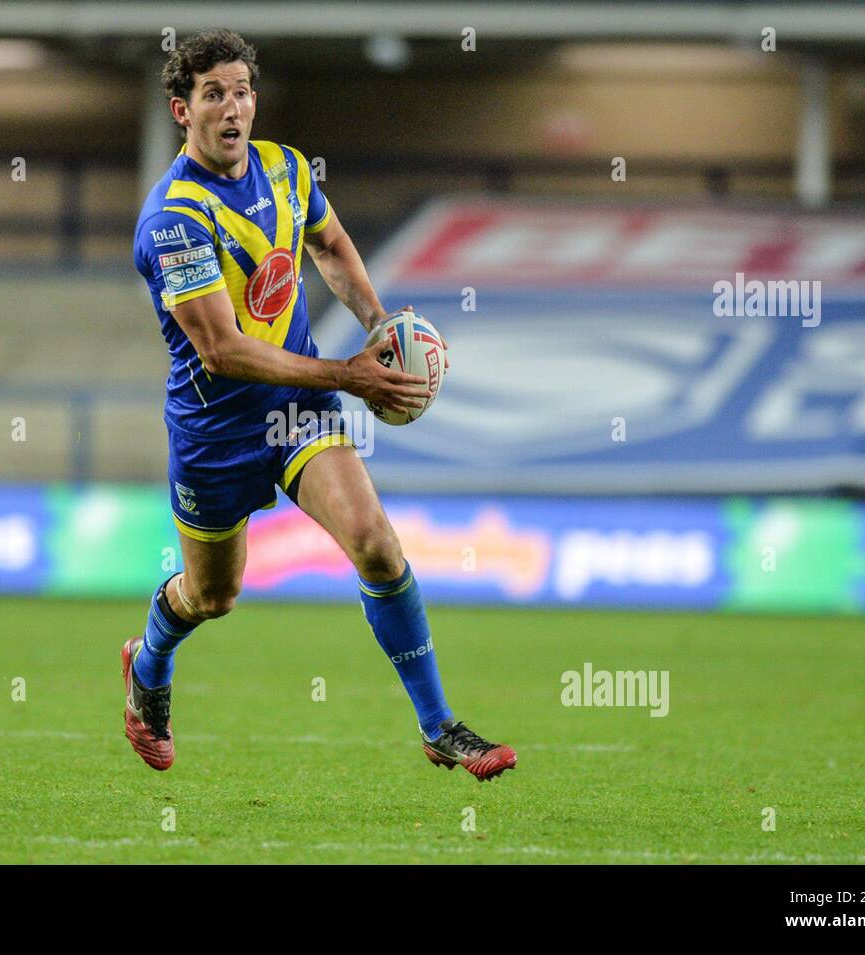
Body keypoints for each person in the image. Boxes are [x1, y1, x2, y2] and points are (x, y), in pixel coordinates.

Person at [126, 29, 516, 781]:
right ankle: (147, 665)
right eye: (214, 94)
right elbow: (223, 350)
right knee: (213, 595)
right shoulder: (173, 220)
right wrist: (348, 373)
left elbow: (330, 245)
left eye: (242, 90)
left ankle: (440, 727)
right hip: (216, 427)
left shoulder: (287, 170)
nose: (233, 106)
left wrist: (381, 331)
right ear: (183, 109)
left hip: (297, 411)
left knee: (375, 541)